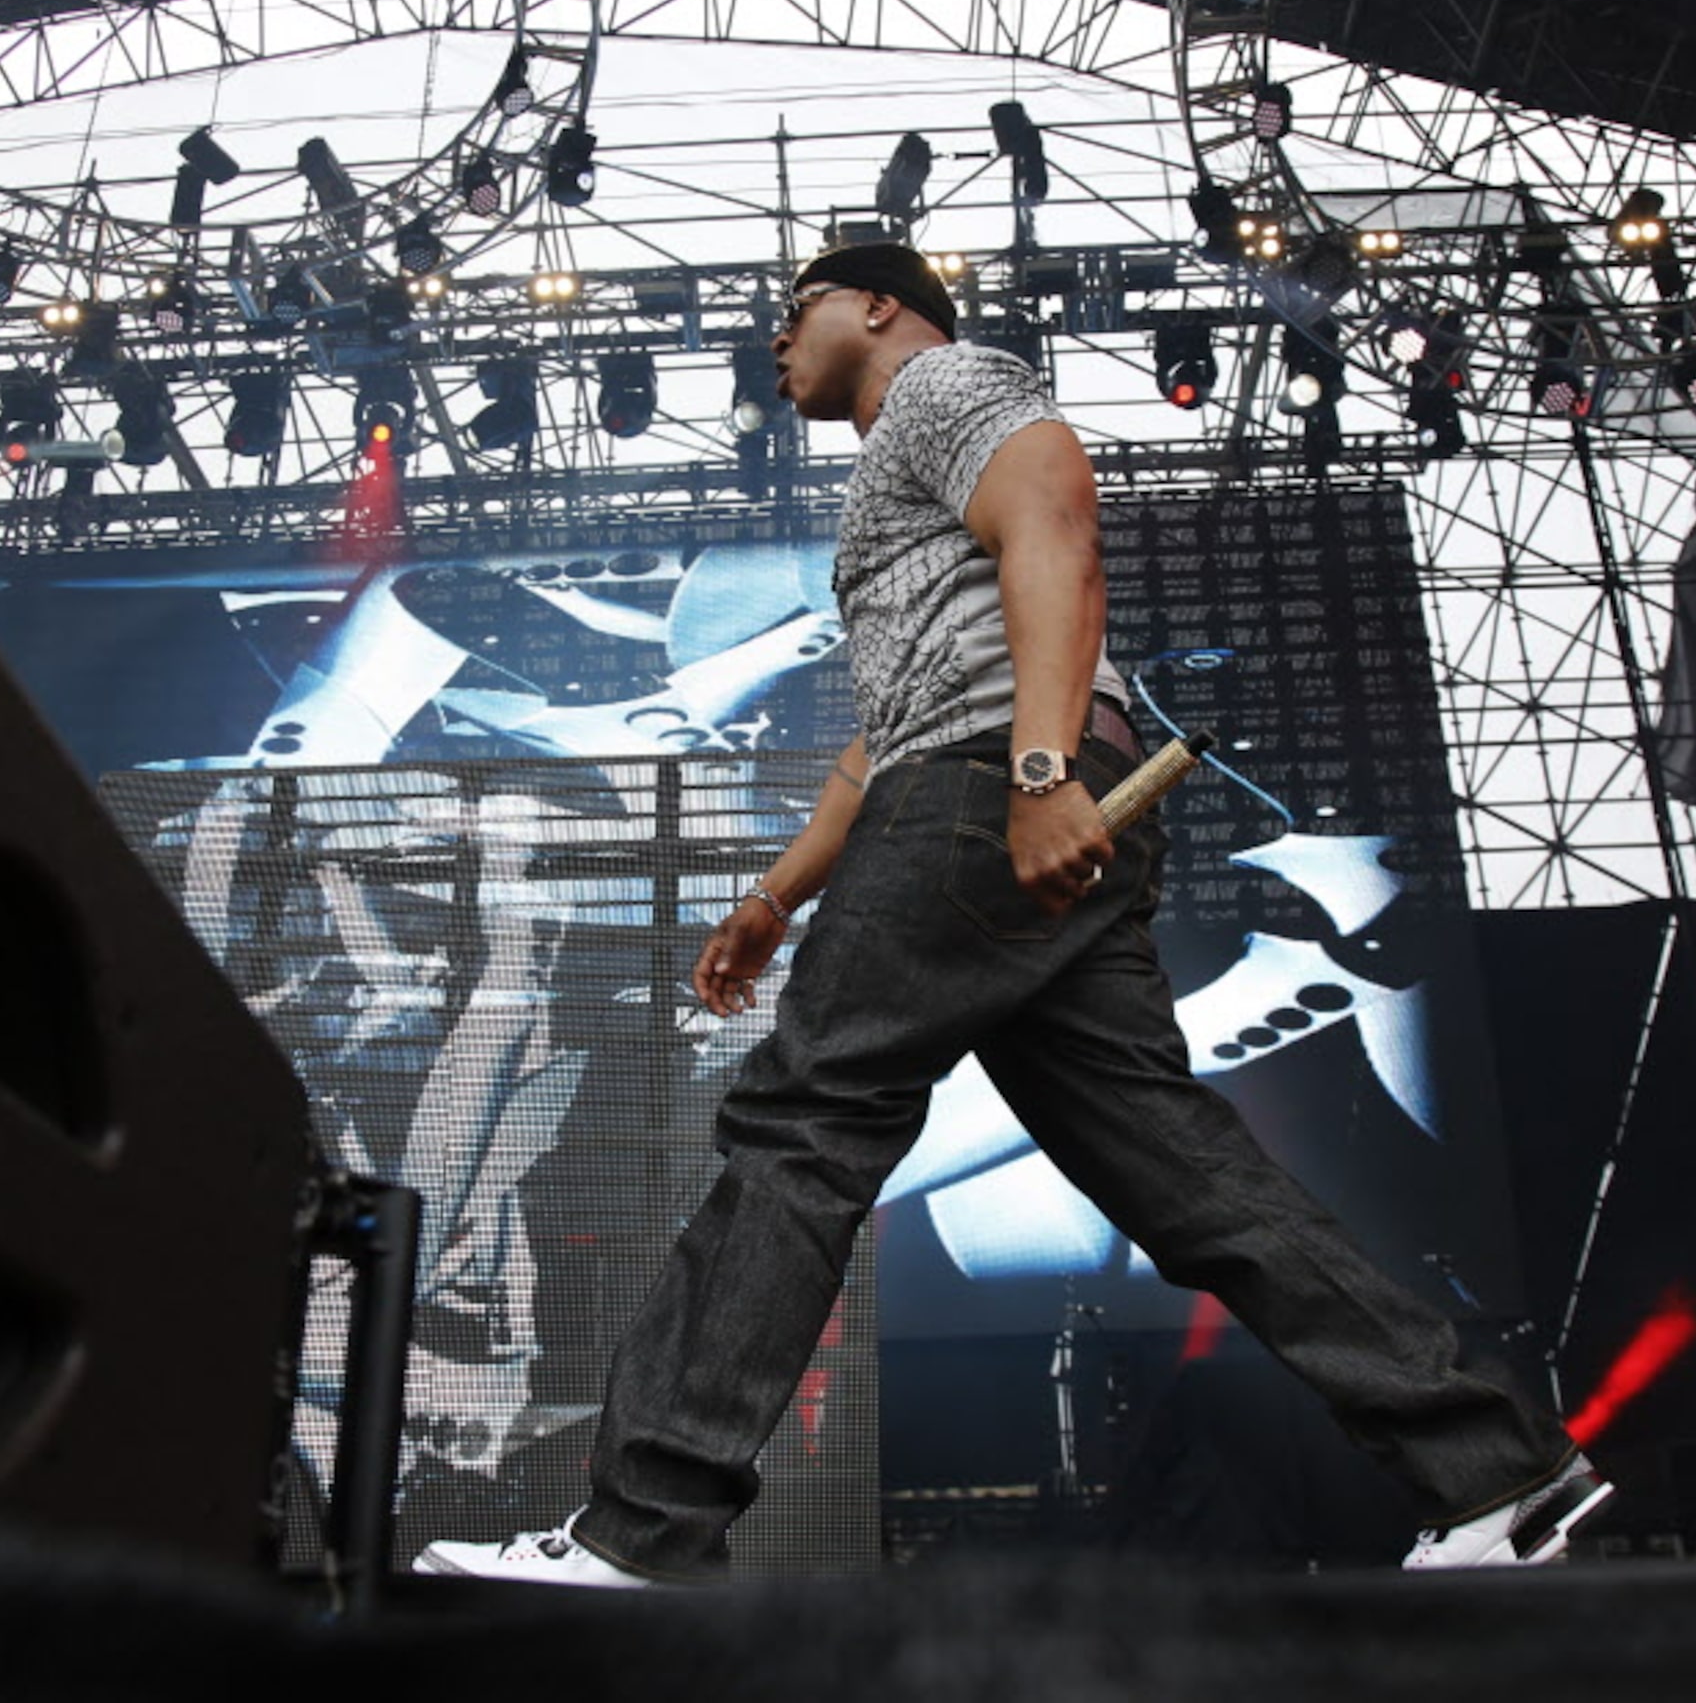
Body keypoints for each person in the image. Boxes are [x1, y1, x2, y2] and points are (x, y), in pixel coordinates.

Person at [415, 243, 1610, 1586]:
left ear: (876, 304)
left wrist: (1039, 773)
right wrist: (773, 895)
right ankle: (1500, 1471)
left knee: (801, 1127)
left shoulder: (943, 383)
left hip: (991, 791)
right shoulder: (895, 482)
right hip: (984, 779)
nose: (772, 343)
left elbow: (1057, 519)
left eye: (791, 311)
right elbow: (883, 740)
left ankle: (642, 1531)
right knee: (1190, 1180)